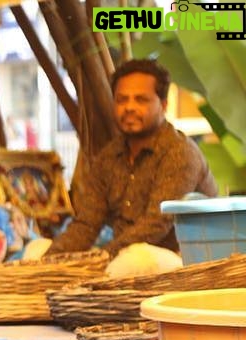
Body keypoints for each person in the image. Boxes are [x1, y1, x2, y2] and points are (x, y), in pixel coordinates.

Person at [46, 59, 217, 255]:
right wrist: (46, 262)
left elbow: (156, 224)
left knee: (136, 259)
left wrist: (101, 258)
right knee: (39, 249)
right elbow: (86, 224)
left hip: (183, 264)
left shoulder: (180, 153)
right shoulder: (108, 157)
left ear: (163, 105)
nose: (129, 107)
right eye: (122, 99)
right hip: (124, 260)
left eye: (141, 100)